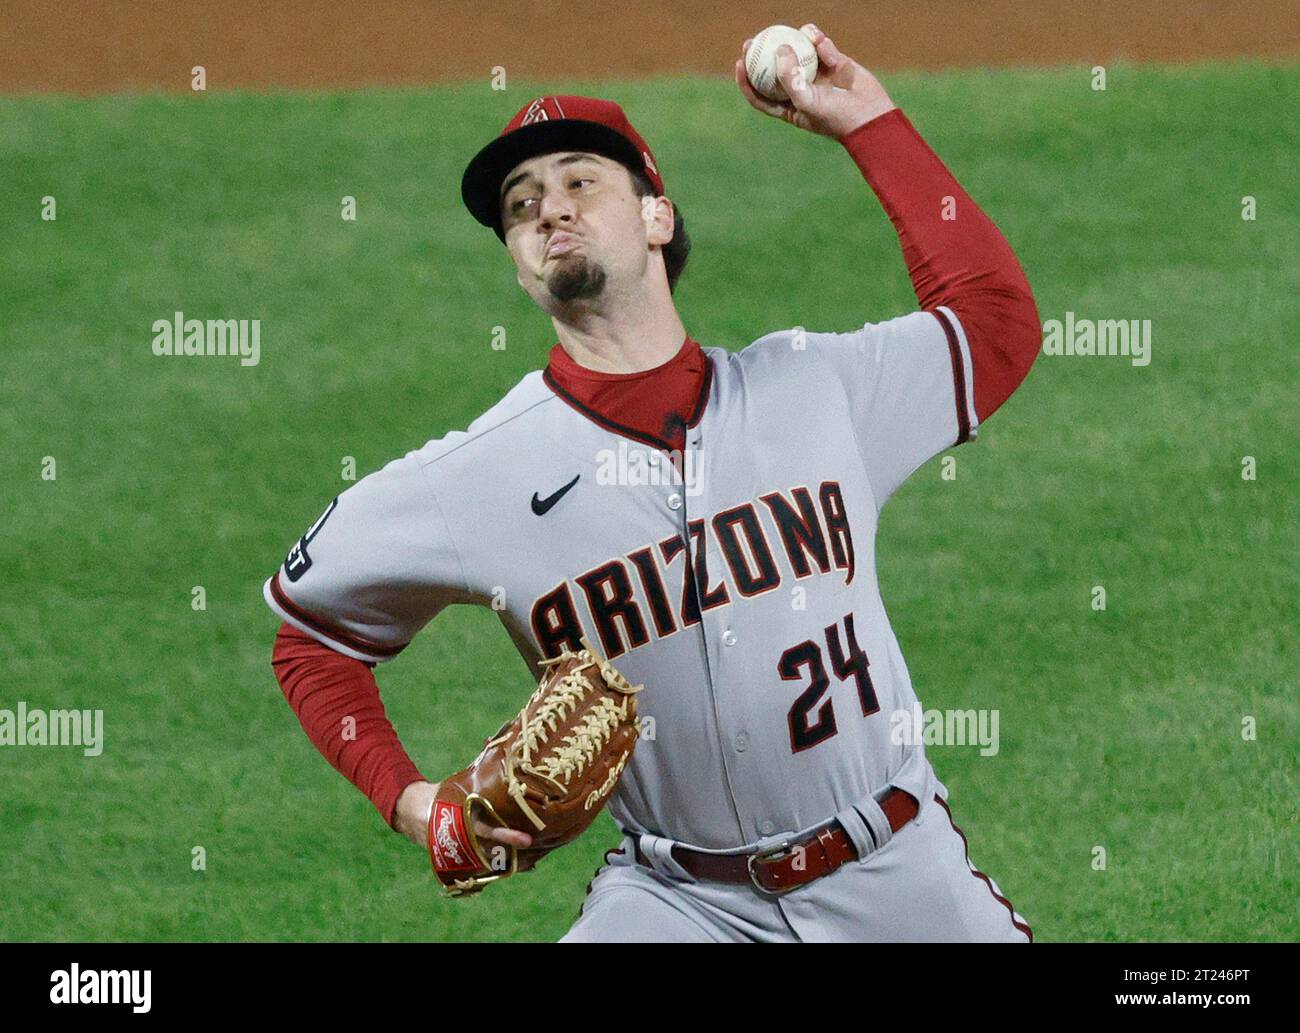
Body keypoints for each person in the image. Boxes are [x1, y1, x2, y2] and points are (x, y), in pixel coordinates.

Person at [265, 24, 1041, 942]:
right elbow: (311, 638)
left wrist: (866, 121)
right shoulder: (474, 476)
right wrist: (414, 801)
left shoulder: (816, 389)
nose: (548, 211)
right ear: (517, 264)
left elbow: (993, 323)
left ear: (655, 217)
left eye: (579, 182)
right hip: (679, 903)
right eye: (521, 204)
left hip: (897, 874)